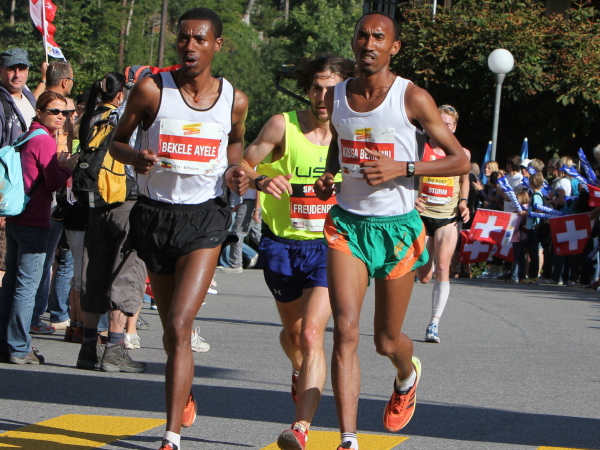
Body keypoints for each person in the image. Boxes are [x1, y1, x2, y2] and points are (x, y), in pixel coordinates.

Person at [313, 12, 470, 450]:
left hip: (398, 228)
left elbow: (460, 160)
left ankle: (406, 374)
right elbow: (340, 143)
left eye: (379, 37)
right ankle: (348, 439)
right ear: (354, 41)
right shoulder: (337, 95)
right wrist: (330, 175)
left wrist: (404, 168)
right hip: (347, 224)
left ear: (394, 47)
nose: (369, 43)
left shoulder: (412, 97)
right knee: (345, 330)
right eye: (362, 36)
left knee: (385, 340)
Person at [109, 8, 249, 450]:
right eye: (184, 38)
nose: (190, 47)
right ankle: (181, 386)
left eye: (200, 39)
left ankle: (171, 436)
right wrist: (136, 157)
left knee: (181, 321)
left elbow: (235, 143)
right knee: (173, 334)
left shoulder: (234, 99)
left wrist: (235, 171)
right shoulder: (152, 90)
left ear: (217, 45)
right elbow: (117, 142)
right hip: (156, 215)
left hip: (205, 218)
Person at [241, 55, 355, 450]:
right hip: (281, 244)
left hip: (330, 246)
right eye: (316, 88)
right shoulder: (282, 125)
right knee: (293, 336)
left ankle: (300, 428)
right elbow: (241, 165)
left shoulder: (352, 132)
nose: (322, 97)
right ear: (307, 90)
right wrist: (260, 181)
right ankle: (299, 369)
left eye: (331, 90)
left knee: (311, 334)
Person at [74, 72, 148, 374]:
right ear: (122, 94)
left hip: (96, 204)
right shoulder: (130, 116)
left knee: (94, 271)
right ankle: (115, 349)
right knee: (126, 271)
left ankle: (88, 348)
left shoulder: (91, 117)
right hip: (126, 202)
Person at [0, 91, 77, 364]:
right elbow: (53, 181)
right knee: (27, 285)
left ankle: (5, 343)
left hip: (17, 217)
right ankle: (20, 347)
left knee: (11, 282)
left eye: (64, 112)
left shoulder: (26, 136)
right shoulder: (43, 140)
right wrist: (66, 167)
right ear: (40, 112)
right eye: (54, 111)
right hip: (35, 220)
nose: (61, 116)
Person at [415, 104, 470, 343]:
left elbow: (465, 179)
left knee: (443, 267)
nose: (443, 128)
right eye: (439, 123)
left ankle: (434, 324)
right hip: (422, 216)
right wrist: (412, 198)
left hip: (447, 218)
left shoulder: (462, 153)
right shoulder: (421, 148)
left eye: (448, 124)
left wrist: (463, 202)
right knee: (424, 275)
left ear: (454, 127)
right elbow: (410, 177)